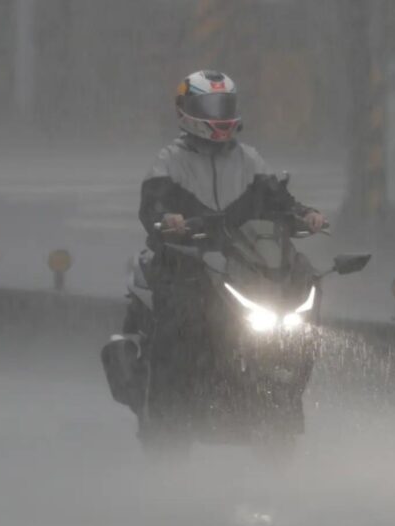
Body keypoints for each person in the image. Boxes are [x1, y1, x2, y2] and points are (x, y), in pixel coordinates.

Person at [135, 69, 325, 422]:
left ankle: (282, 384)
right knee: (181, 323)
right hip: (187, 262)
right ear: (185, 111)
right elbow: (153, 205)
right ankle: (167, 415)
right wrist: (170, 221)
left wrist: (306, 215)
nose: (218, 114)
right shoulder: (170, 161)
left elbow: (277, 199)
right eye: (209, 105)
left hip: (238, 260)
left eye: (224, 105)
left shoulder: (249, 159)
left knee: (303, 280)